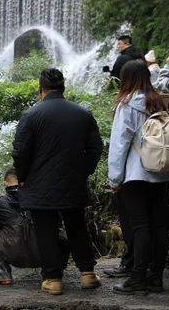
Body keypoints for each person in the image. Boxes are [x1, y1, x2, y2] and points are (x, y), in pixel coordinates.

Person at [13, 68, 104, 295]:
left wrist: (22, 177)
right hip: (73, 181)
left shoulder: (31, 115)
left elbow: (20, 152)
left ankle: (53, 279)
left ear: (40, 89)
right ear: (63, 88)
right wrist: (84, 171)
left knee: (46, 230)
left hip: (39, 184)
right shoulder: (83, 114)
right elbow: (96, 147)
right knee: (77, 226)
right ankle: (87, 274)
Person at [107, 61, 169, 293]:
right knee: (159, 226)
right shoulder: (158, 101)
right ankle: (156, 277)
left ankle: (137, 277)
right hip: (161, 172)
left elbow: (119, 143)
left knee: (141, 227)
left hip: (136, 174)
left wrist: (115, 178)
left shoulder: (127, 105)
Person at [0, 169, 65, 285]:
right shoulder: (40, 198)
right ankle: (51, 274)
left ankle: (4, 275)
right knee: (59, 231)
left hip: (15, 255)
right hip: (44, 254)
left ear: (5, 183)